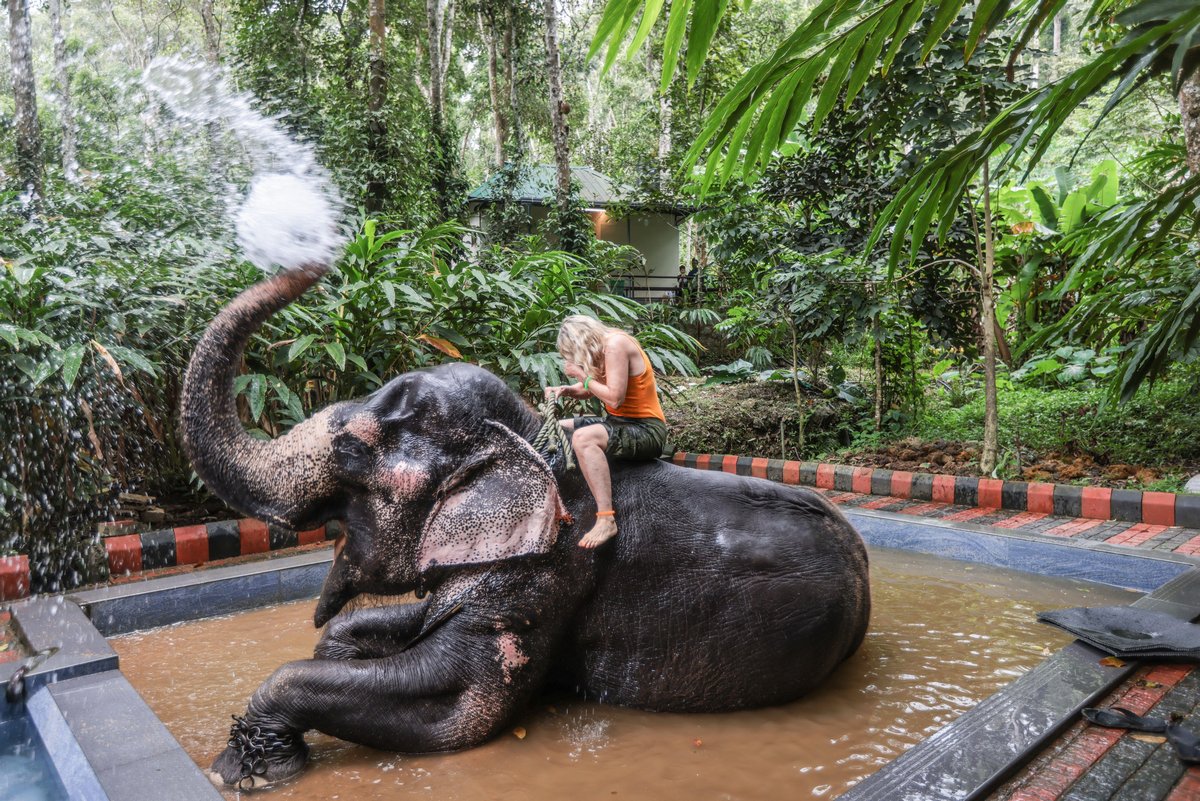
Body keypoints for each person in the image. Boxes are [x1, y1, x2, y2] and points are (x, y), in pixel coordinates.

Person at [544, 315, 669, 549]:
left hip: (645, 429)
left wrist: (582, 375)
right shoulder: (603, 350)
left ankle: (606, 518)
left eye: (571, 353)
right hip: (618, 422)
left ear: (580, 342)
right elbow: (591, 388)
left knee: (583, 438)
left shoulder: (616, 345)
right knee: (560, 426)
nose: (572, 360)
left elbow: (614, 397)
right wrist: (566, 390)